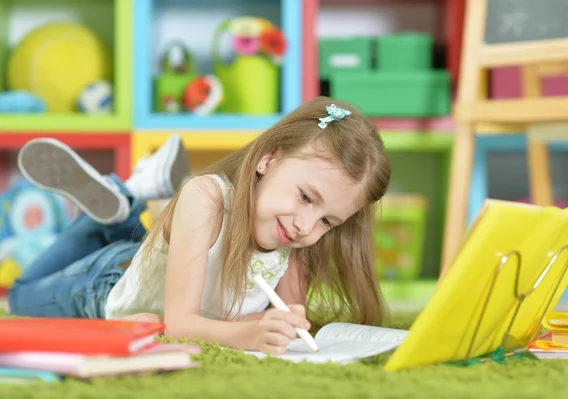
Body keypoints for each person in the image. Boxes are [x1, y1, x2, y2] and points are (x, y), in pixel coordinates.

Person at [9, 96, 392, 356]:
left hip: (165, 265)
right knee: (19, 297)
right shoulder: (206, 198)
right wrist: (251, 333)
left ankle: (127, 204)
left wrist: (283, 323)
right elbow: (179, 324)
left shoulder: (294, 239)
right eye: (306, 197)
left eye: (328, 220)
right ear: (269, 158)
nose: (307, 226)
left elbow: (282, 317)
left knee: (151, 249)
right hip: (111, 285)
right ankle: (124, 196)